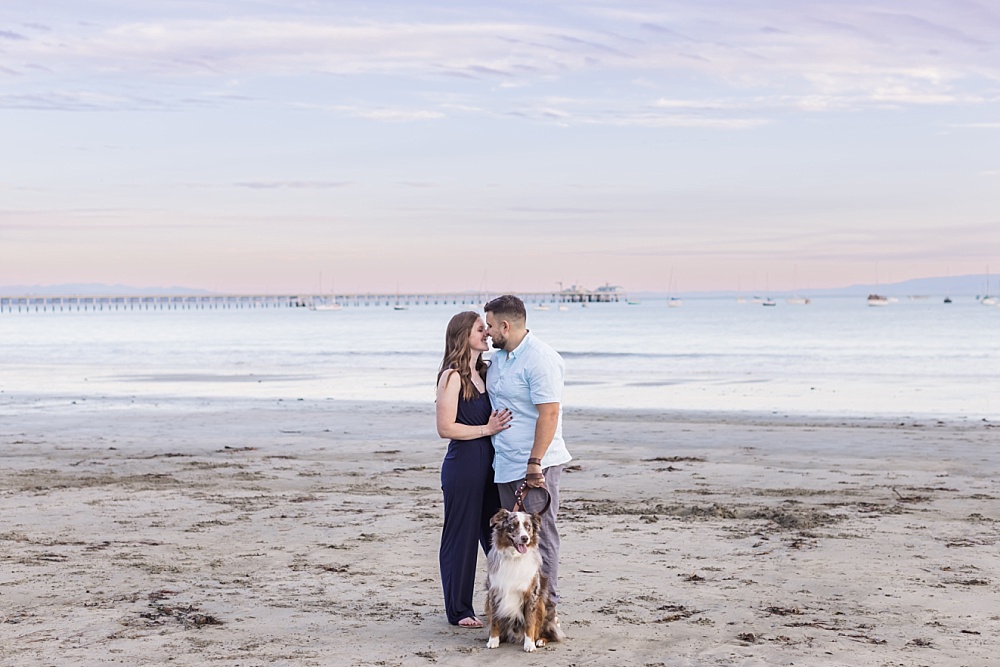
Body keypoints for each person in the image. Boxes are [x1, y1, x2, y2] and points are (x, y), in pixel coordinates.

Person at [483, 295, 572, 609]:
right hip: (505, 463)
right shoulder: (498, 359)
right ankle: (520, 609)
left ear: (506, 326)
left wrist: (535, 461)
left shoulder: (541, 359)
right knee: (514, 542)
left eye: (491, 326)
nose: (487, 332)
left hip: (536, 465)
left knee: (540, 538)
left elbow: (549, 414)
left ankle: (547, 609)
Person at [435, 311, 512, 628]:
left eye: (487, 328)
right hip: (463, 465)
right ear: (463, 335)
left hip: (490, 467)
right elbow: (445, 428)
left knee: (493, 535)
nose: (487, 332)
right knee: (460, 537)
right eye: (481, 329)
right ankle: (459, 610)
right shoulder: (452, 377)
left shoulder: (486, 371)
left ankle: (503, 605)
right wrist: (487, 429)